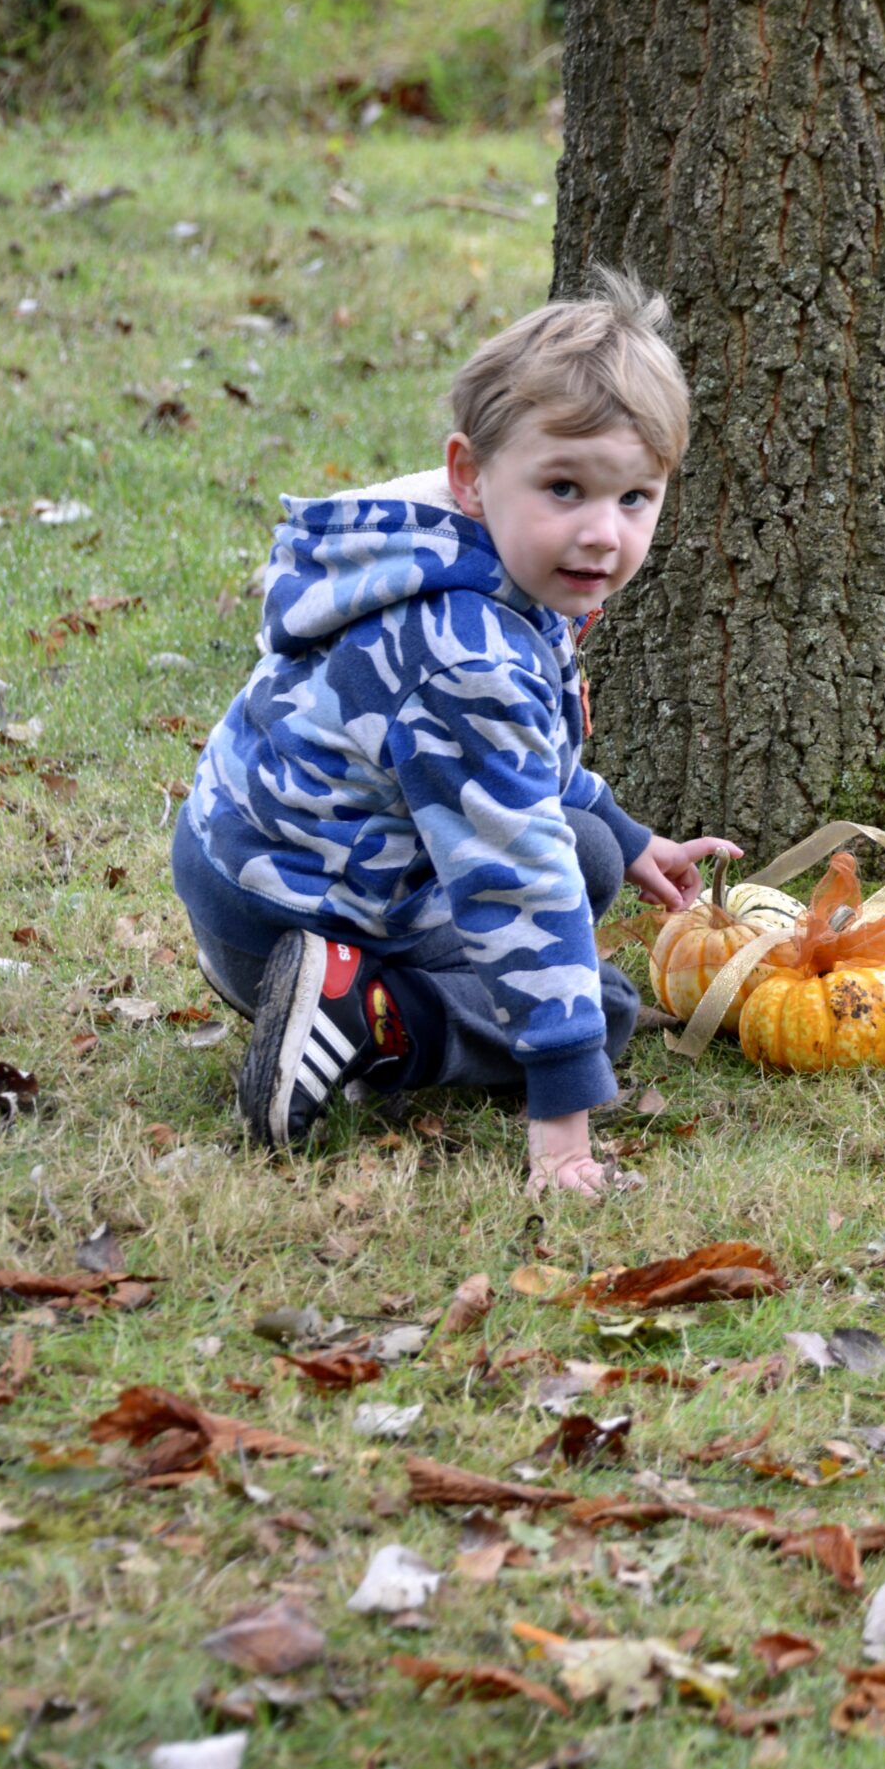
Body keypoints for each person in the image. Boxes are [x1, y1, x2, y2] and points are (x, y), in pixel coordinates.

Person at [171, 269, 737, 1200]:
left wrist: (630, 839)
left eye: (635, 497)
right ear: (472, 474)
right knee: (599, 1008)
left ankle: (335, 985)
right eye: (566, 487)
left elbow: (515, 763)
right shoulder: (465, 654)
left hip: (248, 862)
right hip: (283, 910)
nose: (602, 533)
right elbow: (513, 878)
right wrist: (563, 1120)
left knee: (590, 852)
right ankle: (363, 1012)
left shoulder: (443, 549)